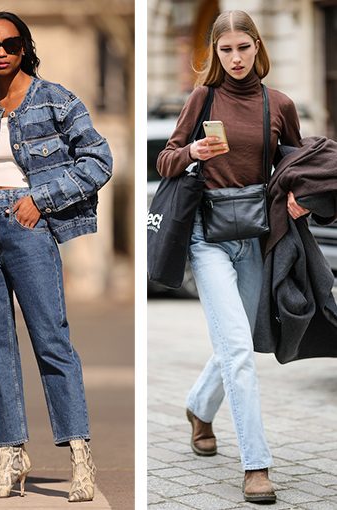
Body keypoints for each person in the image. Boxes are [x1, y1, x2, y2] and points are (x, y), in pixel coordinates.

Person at [0, 11, 112, 502]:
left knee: (52, 341)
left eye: (11, 44)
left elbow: (100, 160)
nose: (1, 52)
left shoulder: (56, 99)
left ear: (24, 48)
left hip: (26, 225)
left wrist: (42, 199)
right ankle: (11, 459)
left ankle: (80, 458)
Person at [156, 10, 303, 504]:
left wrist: (300, 198)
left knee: (238, 342)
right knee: (238, 350)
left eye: (243, 47)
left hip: (256, 236)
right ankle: (256, 466)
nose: (236, 58)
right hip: (208, 237)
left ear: (257, 46)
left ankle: (199, 408)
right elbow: (166, 159)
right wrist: (194, 151)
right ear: (215, 53)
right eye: (226, 50)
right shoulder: (202, 98)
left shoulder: (279, 104)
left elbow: (295, 166)